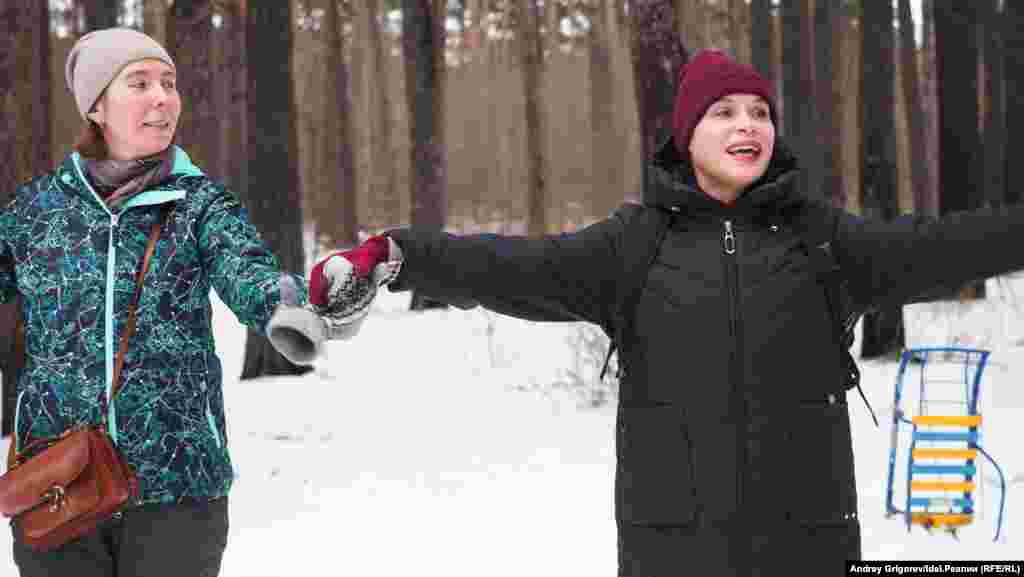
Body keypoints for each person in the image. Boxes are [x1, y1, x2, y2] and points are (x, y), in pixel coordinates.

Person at [303, 50, 1024, 576]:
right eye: (724, 112)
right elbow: (509, 265)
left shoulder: (822, 238)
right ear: (687, 134)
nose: (748, 124)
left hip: (810, 545)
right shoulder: (633, 244)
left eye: (760, 112)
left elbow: (944, 246)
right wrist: (398, 254)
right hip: (672, 551)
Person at [0, 28, 309, 577]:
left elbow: (249, 272)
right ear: (96, 106)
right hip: (56, 487)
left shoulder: (200, 205)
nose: (162, 98)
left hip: (177, 490)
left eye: (168, 83)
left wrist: (287, 305)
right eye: (139, 83)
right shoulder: (36, 212)